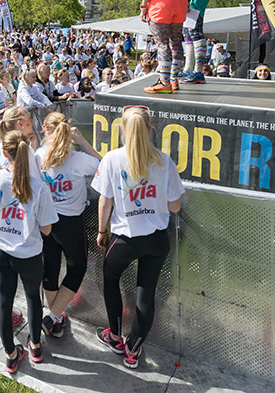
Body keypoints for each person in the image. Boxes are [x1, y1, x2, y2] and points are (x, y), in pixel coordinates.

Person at [93, 106, 185, 369]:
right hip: (156, 239)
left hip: (125, 239)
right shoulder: (164, 161)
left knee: (110, 279)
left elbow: (105, 201)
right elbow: (175, 207)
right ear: (150, 128)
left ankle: (114, 336)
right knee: (147, 292)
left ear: (122, 128)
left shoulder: (111, 158)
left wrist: (102, 232)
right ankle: (134, 347)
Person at [0, 131, 57, 372]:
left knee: (4, 301)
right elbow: (46, 229)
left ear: (5, 153)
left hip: (2, 251)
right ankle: (35, 345)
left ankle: (11, 354)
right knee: (33, 298)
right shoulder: (39, 187)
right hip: (29, 254)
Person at [36, 112, 101, 338]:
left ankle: (54, 316)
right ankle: (53, 317)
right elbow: (102, 164)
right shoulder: (77, 158)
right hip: (71, 222)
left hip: (46, 221)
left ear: (45, 129)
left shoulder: (39, 154)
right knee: (77, 269)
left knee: (50, 268)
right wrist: (82, 141)